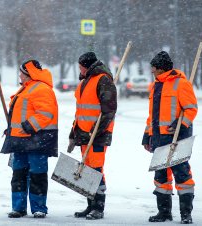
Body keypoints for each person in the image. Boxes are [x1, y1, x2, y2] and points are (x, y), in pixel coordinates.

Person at [142, 51, 197, 224]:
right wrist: (146, 135)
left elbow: (191, 109)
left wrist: (182, 125)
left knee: (182, 174)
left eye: (153, 68)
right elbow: (152, 116)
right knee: (161, 176)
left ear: (160, 69)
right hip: (159, 138)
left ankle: (186, 214)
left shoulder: (181, 84)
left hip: (178, 138)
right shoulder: (155, 86)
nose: (152, 71)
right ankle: (164, 212)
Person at [0, 60, 58, 218]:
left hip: (37, 140)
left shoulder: (41, 89)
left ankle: (39, 208)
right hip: (20, 140)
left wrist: (28, 126)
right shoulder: (26, 88)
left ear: (28, 74)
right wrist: (11, 129)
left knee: (37, 175)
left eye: (21, 72)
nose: (19, 75)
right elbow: (21, 113)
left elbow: (46, 113)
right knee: (18, 175)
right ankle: (18, 208)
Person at [68, 52, 117, 220]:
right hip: (83, 134)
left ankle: (98, 207)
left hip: (97, 135)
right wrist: (73, 133)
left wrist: (96, 131)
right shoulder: (84, 82)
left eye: (81, 66)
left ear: (87, 66)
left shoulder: (103, 80)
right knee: (87, 170)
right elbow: (80, 112)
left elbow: (109, 110)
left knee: (96, 170)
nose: (79, 69)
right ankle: (90, 206)